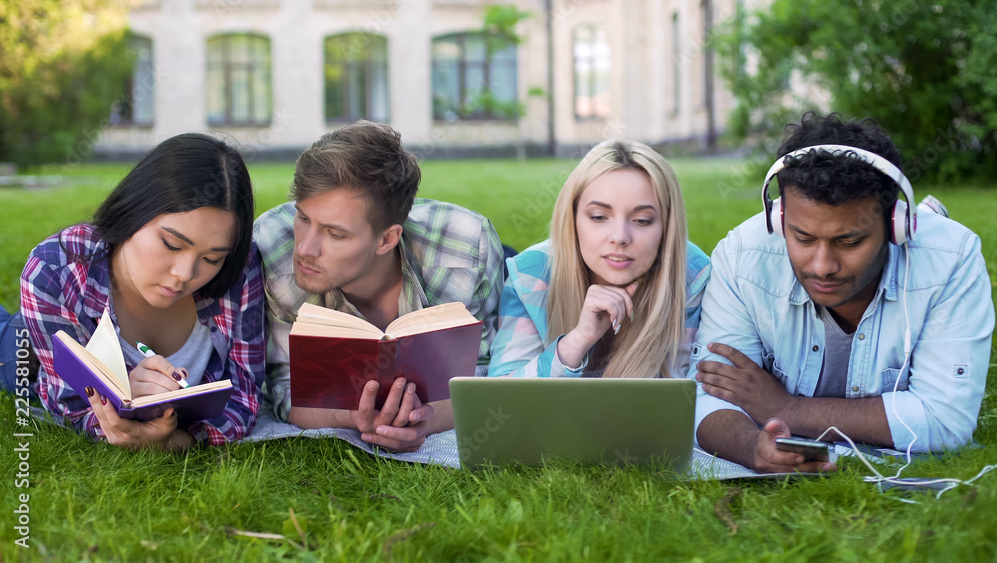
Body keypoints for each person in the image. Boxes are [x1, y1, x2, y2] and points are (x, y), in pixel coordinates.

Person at [692, 112, 995, 473]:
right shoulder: (744, 257)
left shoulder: (951, 260)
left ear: (896, 225)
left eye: (848, 241)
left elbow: (946, 420)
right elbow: (707, 398)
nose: (822, 266)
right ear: (778, 218)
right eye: (803, 238)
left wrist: (786, 408)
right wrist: (751, 448)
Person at [255, 120, 503, 452]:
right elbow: (287, 387)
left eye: (335, 234)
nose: (305, 249)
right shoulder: (274, 247)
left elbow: (485, 376)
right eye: (303, 218)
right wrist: (354, 418)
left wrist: (424, 420)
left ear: (387, 239)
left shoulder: (469, 247)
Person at [20, 133, 265, 450]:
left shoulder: (241, 267)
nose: (184, 275)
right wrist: (122, 400)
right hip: (53, 326)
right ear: (133, 210)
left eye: (211, 258)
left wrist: (178, 439)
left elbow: (245, 395)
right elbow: (70, 405)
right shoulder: (55, 273)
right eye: (172, 244)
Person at [488, 139, 711, 379]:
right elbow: (500, 399)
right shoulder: (531, 275)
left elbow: (689, 397)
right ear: (572, 220)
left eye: (642, 220)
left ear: (668, 227)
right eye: (598, 217)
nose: (620, 237)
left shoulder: (692, 275)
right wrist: (576, 342)